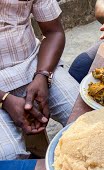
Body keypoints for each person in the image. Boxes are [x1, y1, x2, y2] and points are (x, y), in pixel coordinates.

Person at [0, 0, 78, 159]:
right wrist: (4, 99)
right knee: (9, 157)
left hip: (34, 63)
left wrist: (43, 75)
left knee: (86, 118)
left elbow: (53, 32)